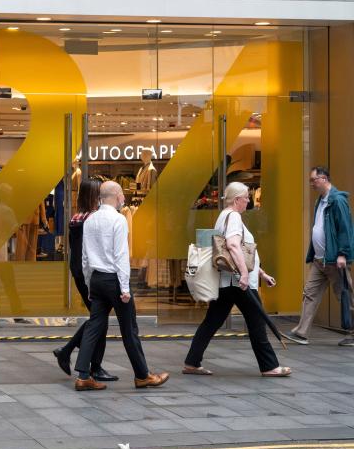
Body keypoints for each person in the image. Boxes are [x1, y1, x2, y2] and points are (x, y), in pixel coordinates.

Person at [183, 182, 291, 377]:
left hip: (227, 281)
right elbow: (233, 246)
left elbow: (238, 253)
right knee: (256, 321)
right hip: (237, 282)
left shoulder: (223, 216)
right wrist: (243, 274)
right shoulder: (233, 217)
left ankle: (192, 362)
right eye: (246, 198)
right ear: (237, 200)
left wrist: (261, 273)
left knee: (212, 321)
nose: (248, 201)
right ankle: (269, 366)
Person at [72, 181, 169, 391]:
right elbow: (121, 257)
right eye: (122, 195)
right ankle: (143, 375)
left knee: (94, 325)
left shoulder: (90, 220)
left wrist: (89, 285)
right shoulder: (119, 220)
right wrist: (125, 289)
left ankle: (83, 375)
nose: (124, 198)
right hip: (114, 280)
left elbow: (85, 258)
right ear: (116, 196)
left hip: (97, 279)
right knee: (129, 328)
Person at [52, 180, 118, 382]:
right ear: (94, 196)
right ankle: (93, 366)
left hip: (81, 272)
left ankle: (69, 351)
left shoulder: (76, 218)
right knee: (99, 320)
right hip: (90, 274)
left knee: (97, 317)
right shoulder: (92, 219)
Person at [284, 167, 354, 346]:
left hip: (334, 260)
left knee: (346, 295)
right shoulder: (320, 201)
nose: (312, 184)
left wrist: (342, 254)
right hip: (319, 260)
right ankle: (301, 332)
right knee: (310, 294)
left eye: (313, 180)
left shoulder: (337, 201)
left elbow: (345, 229)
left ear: (323, 179)